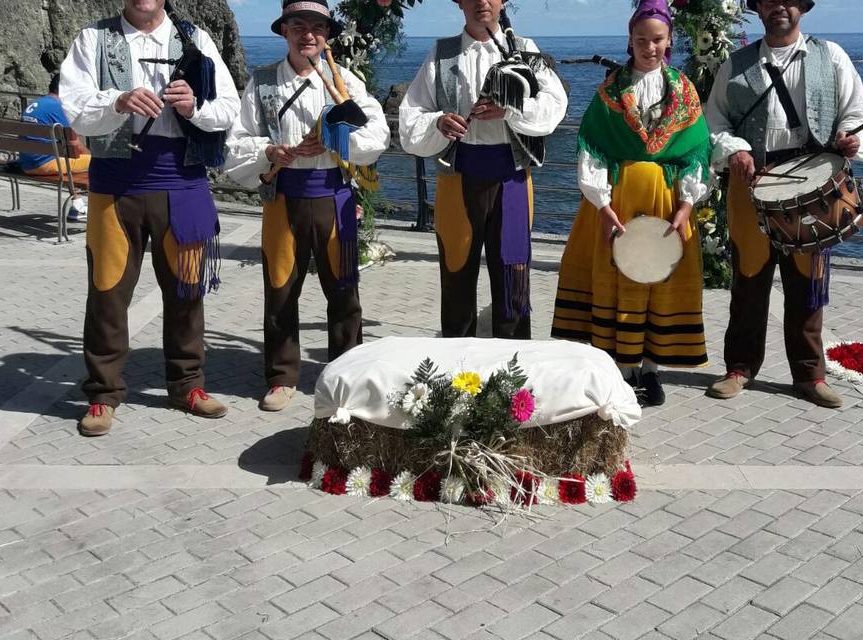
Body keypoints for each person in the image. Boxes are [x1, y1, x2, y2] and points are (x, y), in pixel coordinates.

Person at [60, 0, 241, 436]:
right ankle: (103, 394)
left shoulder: (194, 37)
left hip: (181, 178)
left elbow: (230, 108)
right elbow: (74, 104)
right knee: (107, 291)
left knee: (186, 289)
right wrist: (117, 100)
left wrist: (194, 107)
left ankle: (188, 386)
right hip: (115, 184)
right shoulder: (92, 38)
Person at [225, 0, 389, 412]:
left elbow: (377, 137)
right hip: (283, 199)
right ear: (284, 32)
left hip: (333, 194)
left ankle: (346, 374)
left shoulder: (345, 80)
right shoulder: (261, 83)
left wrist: (335, 141)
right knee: (280, 289)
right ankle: (281, 376)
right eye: (298, 25)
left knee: (344, 291)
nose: (308, 34)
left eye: (317, 27)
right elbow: (235, 143)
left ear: (327, 35)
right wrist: (269, 152)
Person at [704, 0, 863, 408]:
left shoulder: (831, 56)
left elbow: (855, 110)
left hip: (811, 180)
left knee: (807, 283)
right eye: (768, 0)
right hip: (750, 179)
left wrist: (849, 136)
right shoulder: (735, 63)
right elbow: (715, 121)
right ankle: (739, 368)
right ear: (758, 9)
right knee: (748, 278)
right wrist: (736, 150)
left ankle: (810, 375)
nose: (779, 6)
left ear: (802, 7)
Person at [551, 0, 711, 407]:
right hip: (616, 203)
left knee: (658, 279)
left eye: (657, 39)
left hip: (667, 201)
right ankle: (620, 368)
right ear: (630, 41)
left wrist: (687, 205)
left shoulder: (685, 92)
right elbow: (593, 149)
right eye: (641, 40)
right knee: (620, 275)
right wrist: (601, 205)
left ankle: (652, 369)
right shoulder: (611, 92)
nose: (649, 47)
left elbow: (696, 152)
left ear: (669, 40)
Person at [399, 0, 567, 339]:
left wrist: (511, 110)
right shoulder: (441, 53)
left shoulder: (523, 49)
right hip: (459, 177)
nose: (481, 3)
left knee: (513, 276)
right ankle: (457, 369)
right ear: (458, 2)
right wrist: (439, 122)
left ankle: (514, 372)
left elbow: (555, 104)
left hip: (513, 178)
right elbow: (411, 115)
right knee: (457, 273)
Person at [19, 74, 92, 222]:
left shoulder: (35, 104)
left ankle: (77, 204)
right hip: (44, 165)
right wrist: (91, 156)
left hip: (26, 164)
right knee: (99, 161)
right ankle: (100, 206)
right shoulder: (59, 107)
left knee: (70, 160)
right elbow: (75, 144)